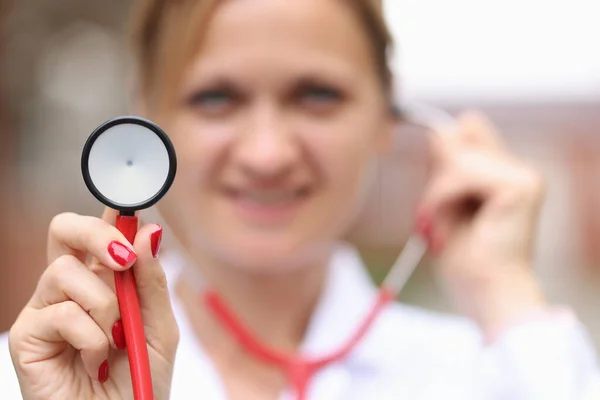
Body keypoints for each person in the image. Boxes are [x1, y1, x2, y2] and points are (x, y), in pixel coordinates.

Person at [1, 0, 599, 399]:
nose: (266, 153)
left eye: (316, 96)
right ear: (147, 114)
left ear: (388, 116)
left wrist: (504, 291)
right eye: (215, 98)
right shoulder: (31, 374)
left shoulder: (503, 372)